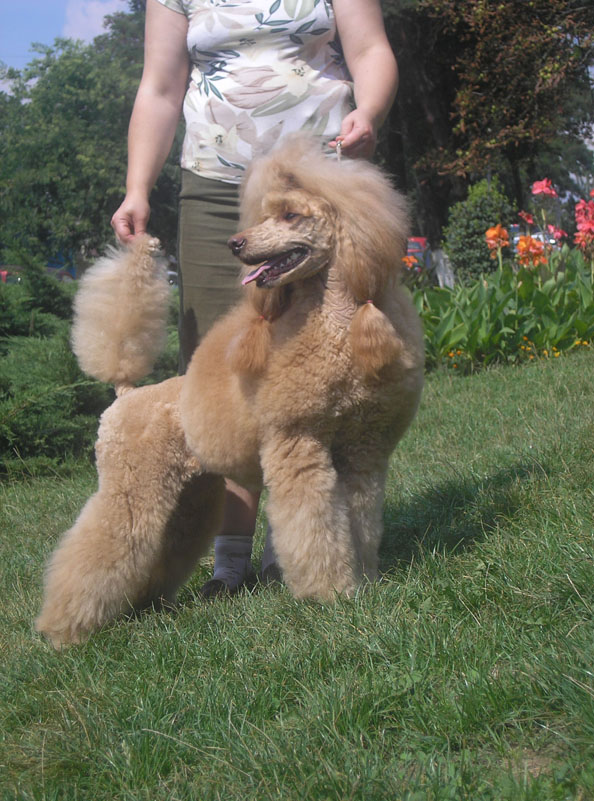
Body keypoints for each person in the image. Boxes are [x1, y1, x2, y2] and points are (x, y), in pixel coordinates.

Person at [111, 0, 399, 597]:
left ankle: (295, 548)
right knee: (224, 370)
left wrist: (368, 112)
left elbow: (371, 50)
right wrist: (138, 187)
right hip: (216, 184)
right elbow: (160, 88)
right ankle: (229, 559)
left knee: (327, 369)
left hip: (321, 182)